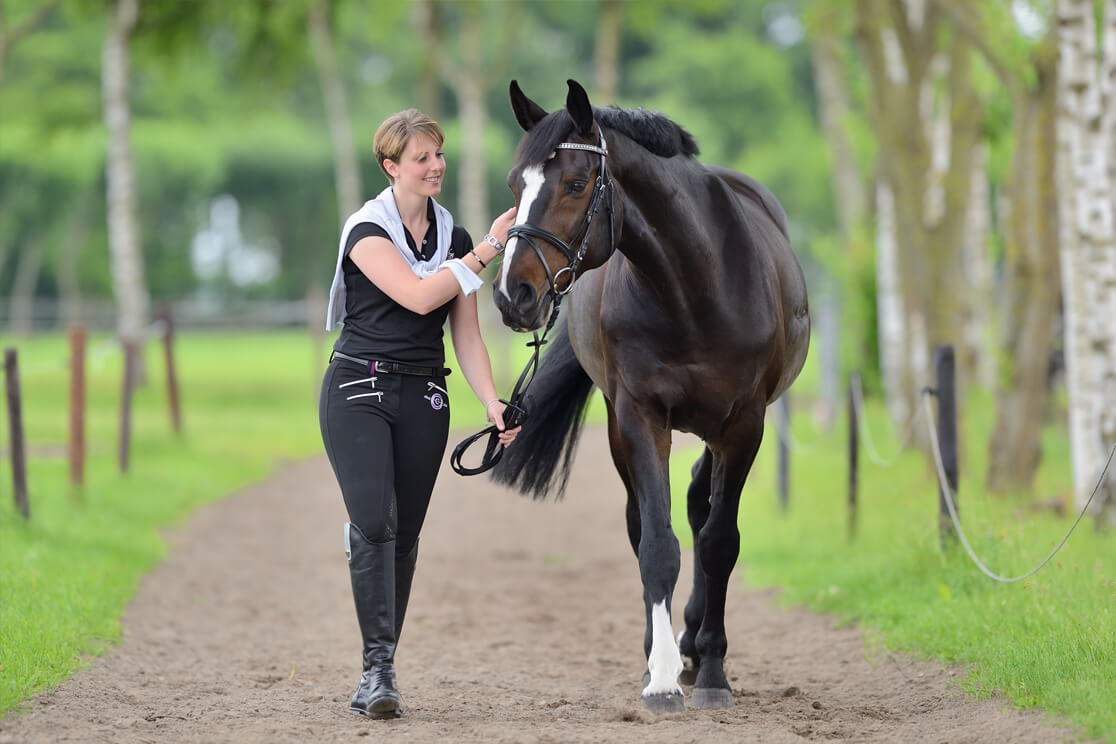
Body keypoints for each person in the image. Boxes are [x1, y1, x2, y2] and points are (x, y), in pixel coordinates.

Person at [319, 108, 519, 719]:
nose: (436, 166)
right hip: (358, 389)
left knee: (403, 539)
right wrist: (488, 249)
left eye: (439, 154)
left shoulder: (452, 238)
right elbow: (416, 294)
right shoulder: (367, 231)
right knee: (376, 523)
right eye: (422, 158)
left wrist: (492, 402)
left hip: (425, 395)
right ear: (391, 167)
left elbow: (466, 333)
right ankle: (378, 672)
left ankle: (378, 668)